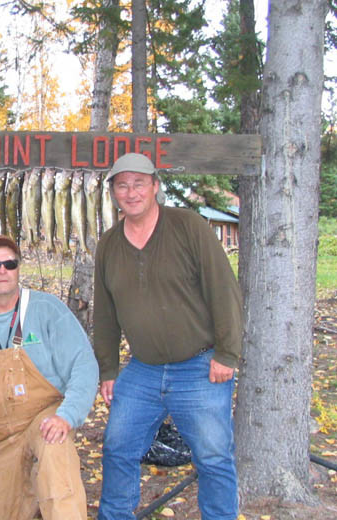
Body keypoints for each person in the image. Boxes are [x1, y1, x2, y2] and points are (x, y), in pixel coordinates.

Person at [93, 152, 244, 520]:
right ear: (113, 192)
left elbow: (223, 291)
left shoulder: (189, 227)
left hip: (200, 367)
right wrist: (109, 369)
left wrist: (227, 353)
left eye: (139, 183)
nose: (131, 192)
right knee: (118, 448)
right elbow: (105, 314)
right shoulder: (109, 245)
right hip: (142, 370)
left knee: (213, 457)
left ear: (155, 186)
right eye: (122, 185)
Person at [0, 235, 99, 520]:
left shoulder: (47, 310)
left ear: (18, 268)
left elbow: (84, 366)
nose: (2, 270)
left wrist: (67, 416)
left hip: (44, 417)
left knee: (56, 454)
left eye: (9, 264)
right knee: (4, 511)